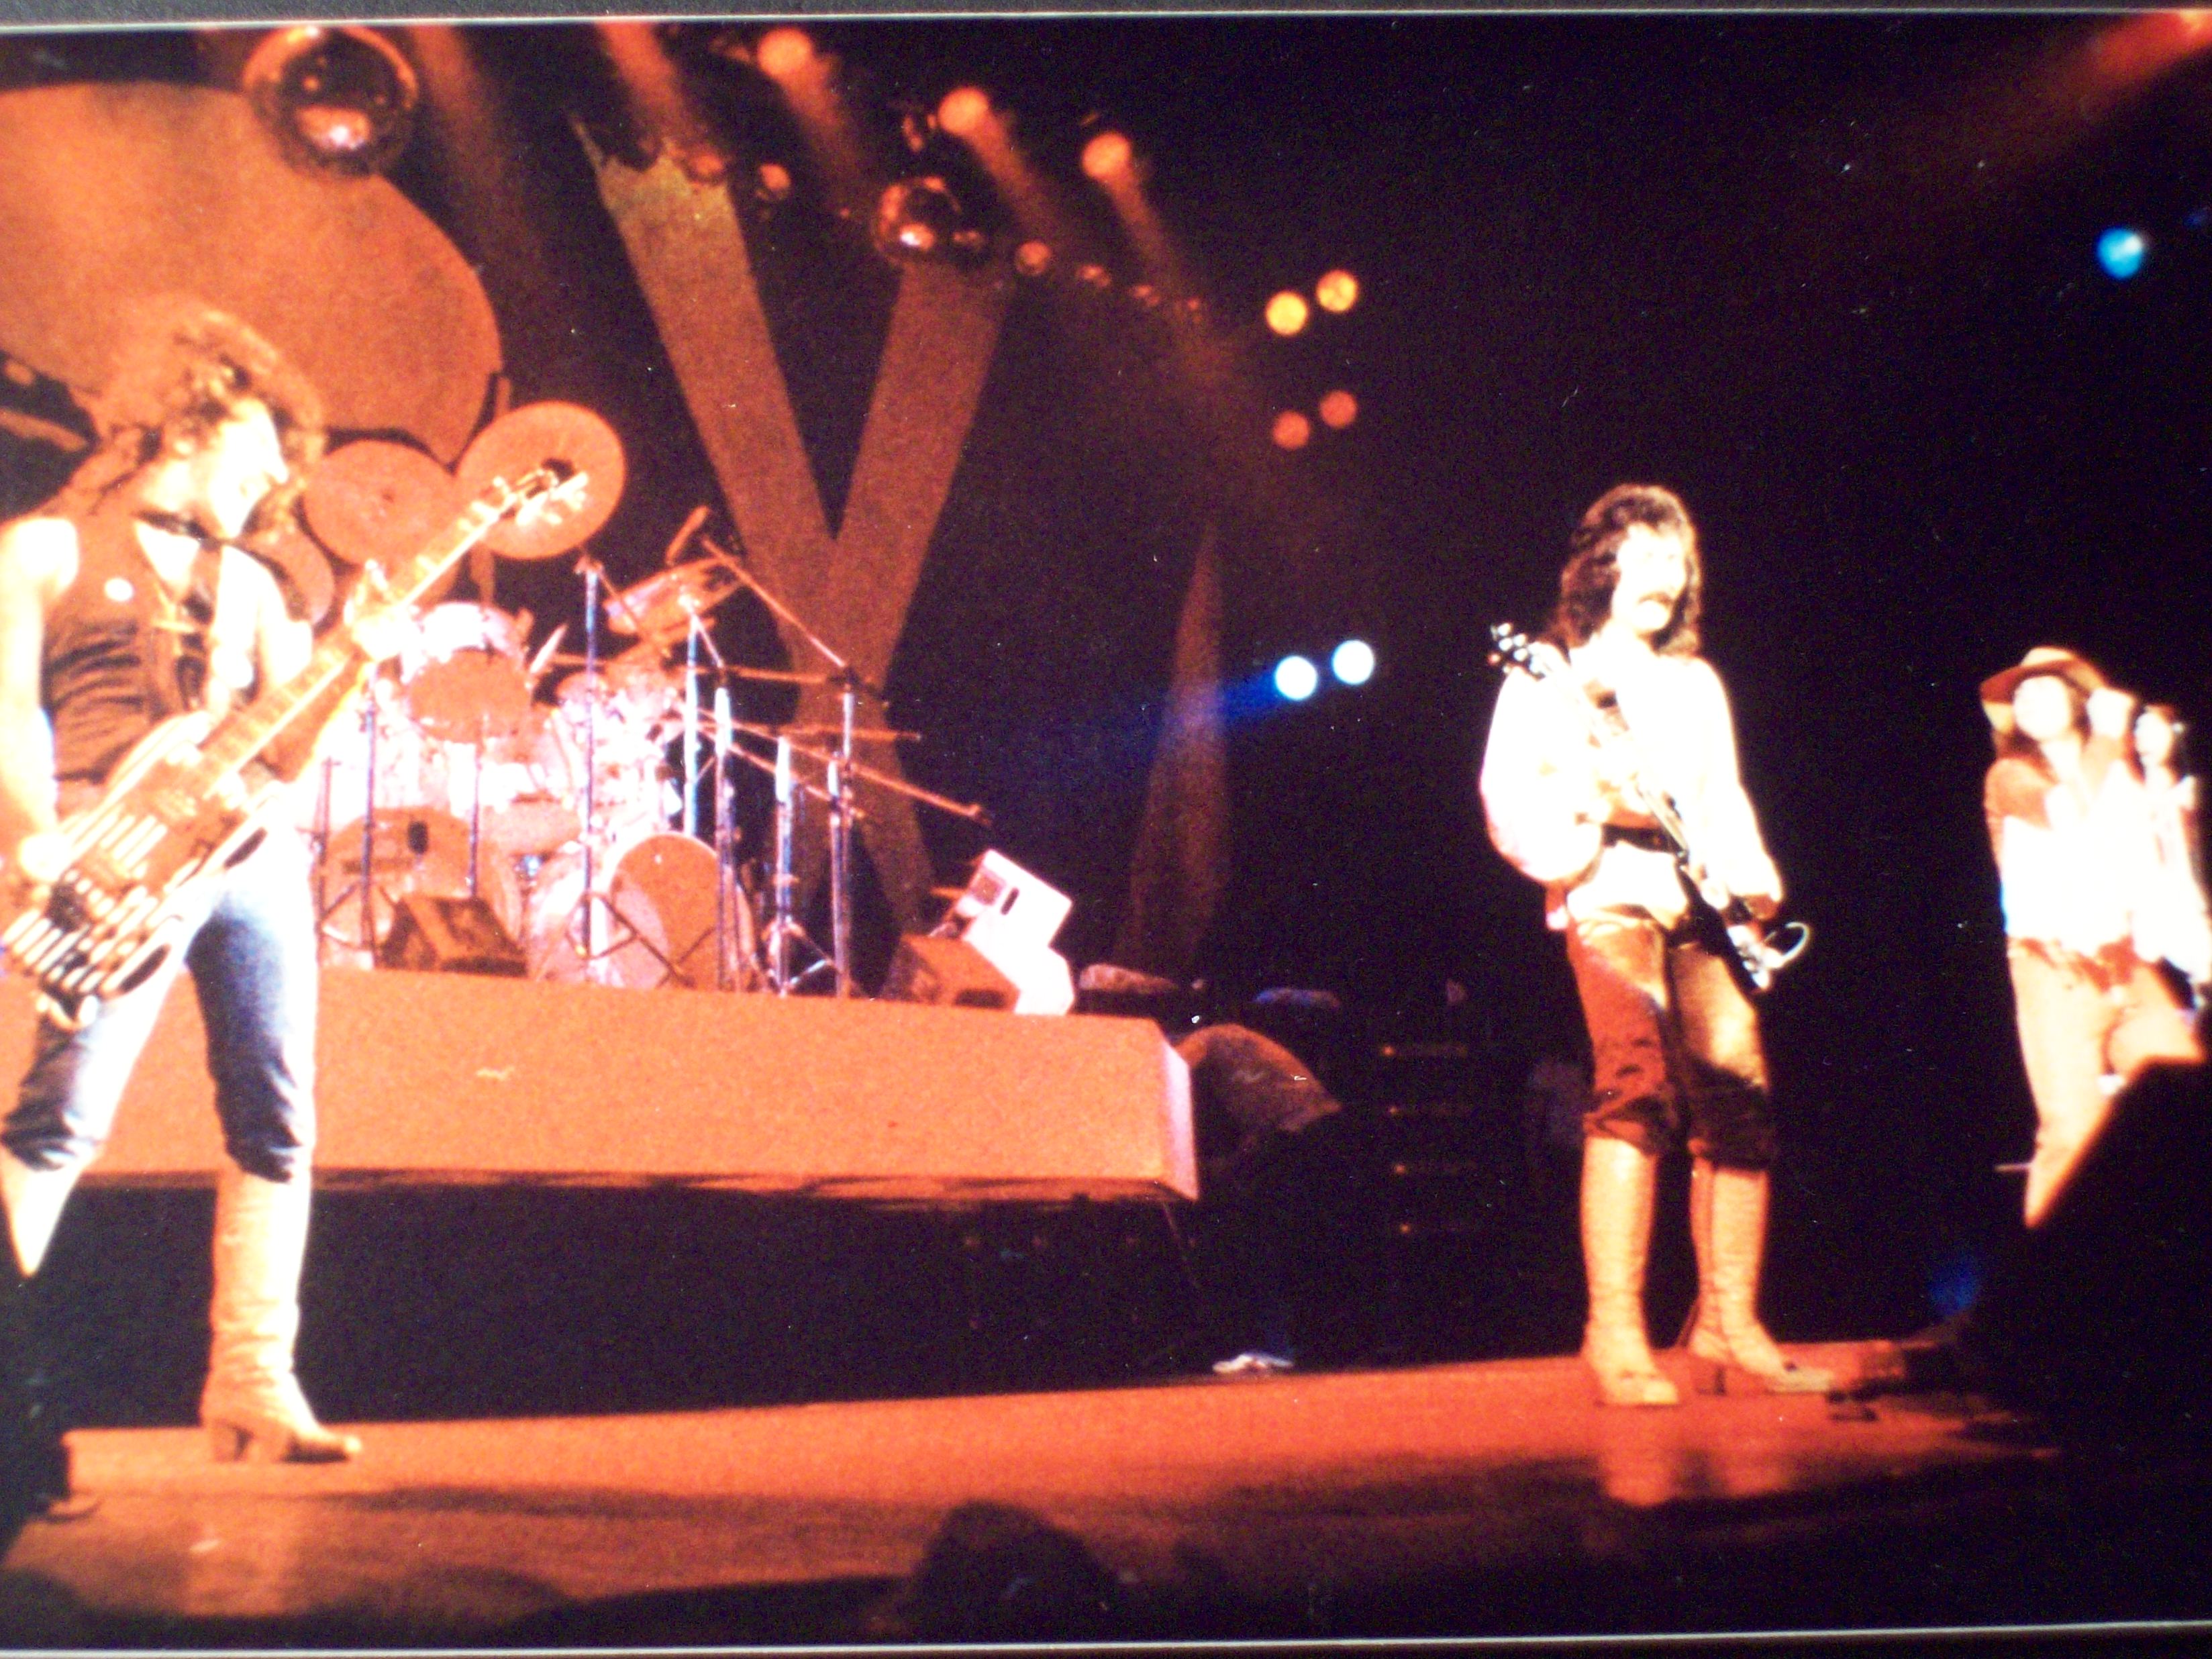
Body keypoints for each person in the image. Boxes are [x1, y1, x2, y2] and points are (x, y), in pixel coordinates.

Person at [0, 301, 362, 1530]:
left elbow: (289, 746)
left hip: (245, 859)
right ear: (190, 419)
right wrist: (32, 837)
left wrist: (355, 656)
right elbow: (9, 714)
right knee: (62, 1116)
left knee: (278, 1114)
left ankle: (256, 1383)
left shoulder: (250, 581)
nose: (276, 480)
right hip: (109, 853)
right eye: (262, 449)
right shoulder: (41, 552)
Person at [1480, 483, 1827, 1405]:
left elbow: (1723, 798)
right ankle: (1615, 1334)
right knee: (1634, 1087)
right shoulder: (1550, 675)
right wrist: (1590, 809)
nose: (1665, 576)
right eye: (1646, 556)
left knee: (1741, 1099)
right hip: (1609, 892)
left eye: (1677, 560)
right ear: (1602, 567)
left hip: (1702, 907)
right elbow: (1507, 795)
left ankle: (1728, 1324)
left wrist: (1750, 885)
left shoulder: (1695, 683)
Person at [1979, 649, 2204, 1227]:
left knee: (2184, 1088)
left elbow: (2147, 866)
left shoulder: (2118, 774)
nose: (2028, 701)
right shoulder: (2011, 776)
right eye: (2020, 696)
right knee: (2070, 1130)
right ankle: (2050, 1276)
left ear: (2077, 700)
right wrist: (2107, 738)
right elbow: (2068, 813)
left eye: (2043, 689)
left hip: (2124, 962)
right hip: (2054, 969)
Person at [2129, 701, 2211, 1007]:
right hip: (2160, 922)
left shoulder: (2193, 793)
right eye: (2139, 729)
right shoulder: (2130, 797)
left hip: (2195, 912)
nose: (2143, 738)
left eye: (2154, 728)